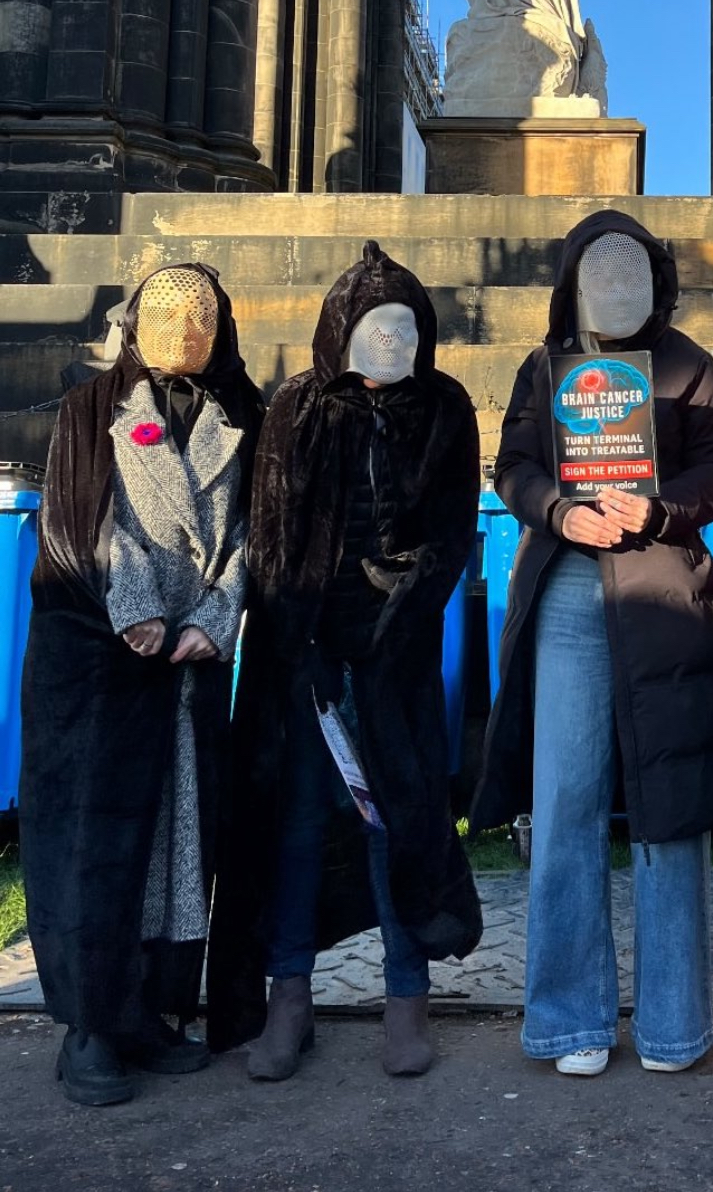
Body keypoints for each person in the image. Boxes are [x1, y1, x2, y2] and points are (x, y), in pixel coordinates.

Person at [206, 241, 482, 1081]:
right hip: (309, 664)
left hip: (394, 658)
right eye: (376, 329)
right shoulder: (297, 407)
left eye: (405, 331)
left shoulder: (444, 406)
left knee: (393, 822)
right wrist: (306, 641)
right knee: (295, 825)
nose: (392, 347)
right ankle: (289, 994)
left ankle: (407, 995)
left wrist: (400, 613)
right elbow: (277, 536)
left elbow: (449, 529)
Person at [470, 210, 713, 1077]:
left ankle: (672, 1023)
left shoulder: (691, 366)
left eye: (633, 276)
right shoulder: (544, 365)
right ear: (575, 284)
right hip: (571, 591)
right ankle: (566, 1018)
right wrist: (557, 508)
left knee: (671, 805)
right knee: (564, 804)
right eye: (600, 276)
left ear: (655, 284)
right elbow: (513, 464)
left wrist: (660, 508)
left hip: (662, 586)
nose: (617, 292)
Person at [20, 264, 264, 1106]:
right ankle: (89, 1022)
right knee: (98, 838)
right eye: (165, 315)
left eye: (198, 317)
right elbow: (73, 515)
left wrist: (216, 615)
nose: (182, 331)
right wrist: (132, 608)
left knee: (174, 843)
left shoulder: (243, 412)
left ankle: (147, 1012)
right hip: (102, 658)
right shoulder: (93, 410)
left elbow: (252, 531)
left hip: (190, 657)